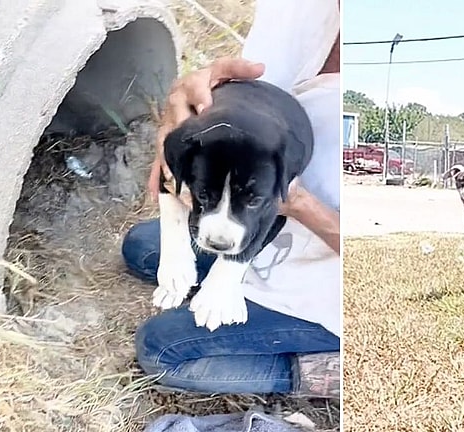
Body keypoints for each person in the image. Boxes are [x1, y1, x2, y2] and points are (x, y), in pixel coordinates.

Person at [123, 0, 341, 396]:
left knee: (162, 351)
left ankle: (333, 371)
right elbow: (244, 109)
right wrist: (192, 112)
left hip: (332, 284)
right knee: (141, 247)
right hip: (272, 229)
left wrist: (299, 205)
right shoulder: (302, 9)